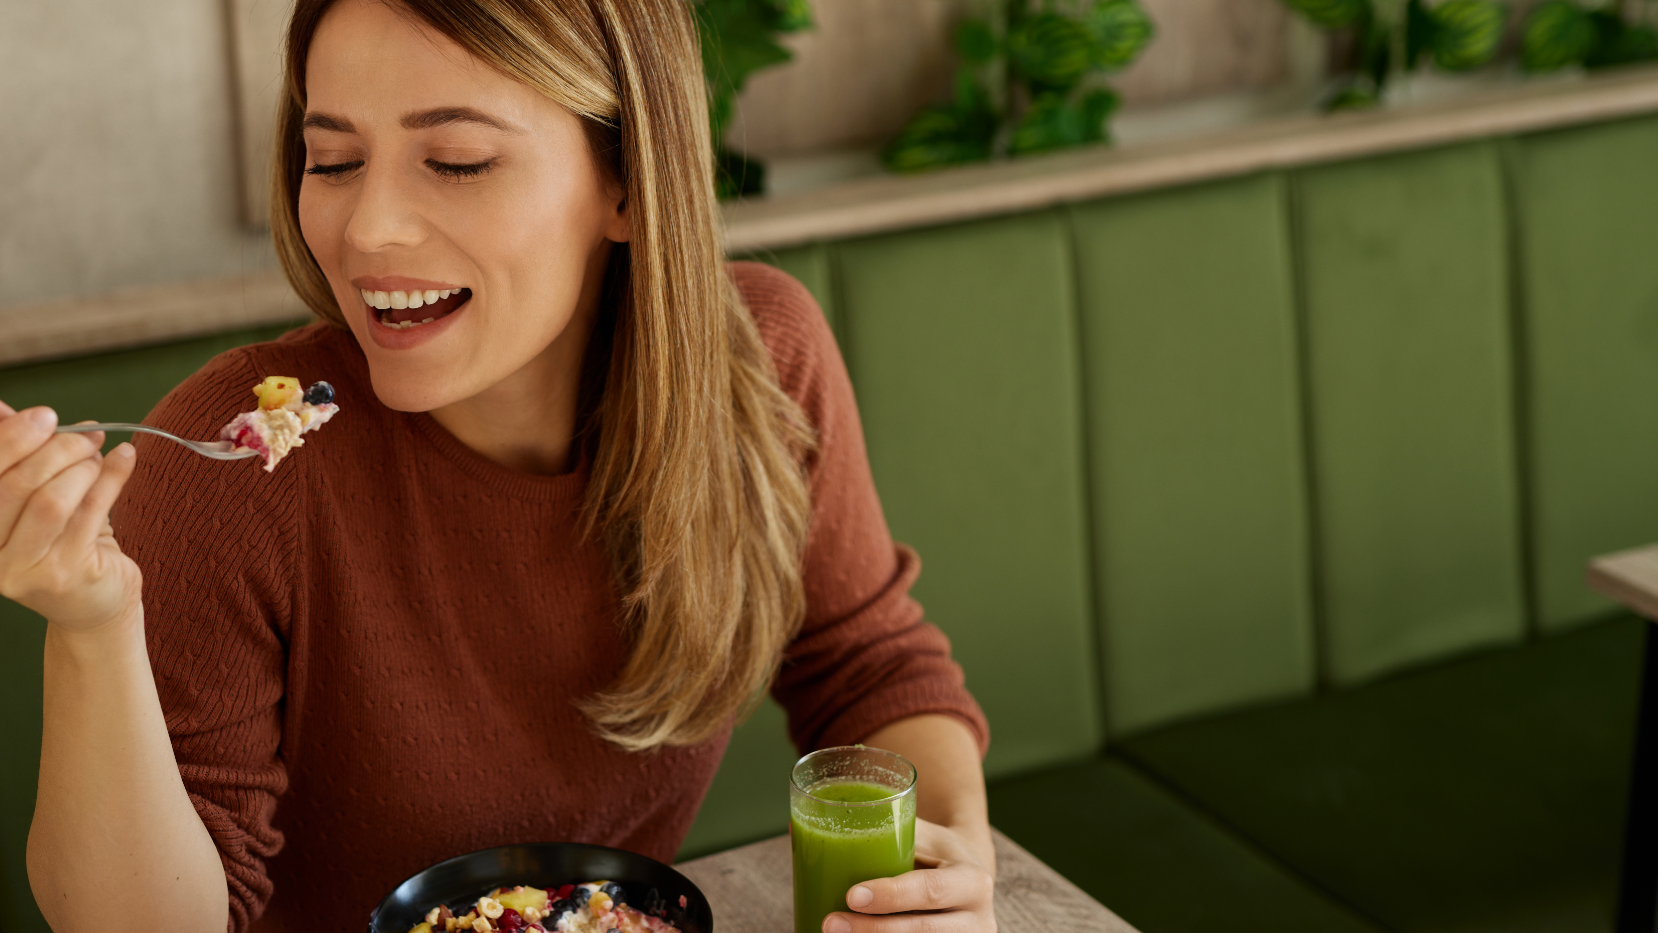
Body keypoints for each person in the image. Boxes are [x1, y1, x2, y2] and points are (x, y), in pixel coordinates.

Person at [1, 2, 996, 932]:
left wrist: (943, 880)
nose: (368, 229)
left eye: (459, 161)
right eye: (334, 159)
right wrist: (92, 627)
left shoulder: (761, 365)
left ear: (627, 182)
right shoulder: (230, 463)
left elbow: (867, 668)